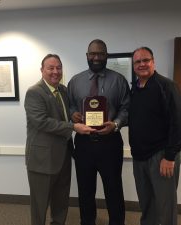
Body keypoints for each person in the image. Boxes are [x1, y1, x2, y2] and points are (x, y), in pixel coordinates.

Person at [24, 54, 95, 225]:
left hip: (63, 156)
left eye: (59, 68)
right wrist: (72, 127)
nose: (56, 72)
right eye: (51, 68)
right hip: (42, 160)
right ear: (42, 70)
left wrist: (74, 116)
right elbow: (42, 122)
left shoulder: (63, 90)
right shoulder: (34, 92)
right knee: (40, 205)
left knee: (61, 202)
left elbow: (63, 114)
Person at [67, 39, 130, 225]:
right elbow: (69, 105)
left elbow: (126, 108)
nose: (96, 57)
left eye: (100, 54)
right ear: (87, 56)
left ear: (106, 56)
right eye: (92, 54)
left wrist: (116, 124)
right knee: (85, 190)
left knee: (114, 189)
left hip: (110, 143)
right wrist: (73, 114)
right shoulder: (75, 81)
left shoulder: (119, 80)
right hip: (84, 144)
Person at [128, 47, 181, 225]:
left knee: (164, 207)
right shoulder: (135, 90)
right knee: (146, 205)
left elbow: (179, 123)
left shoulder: (167, 86)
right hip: (139, 157)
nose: (142, 64)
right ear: (133, 66)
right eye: (137, 62)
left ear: (153, 62)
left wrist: (169, 156)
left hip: (161, 157)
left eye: (145, 60)